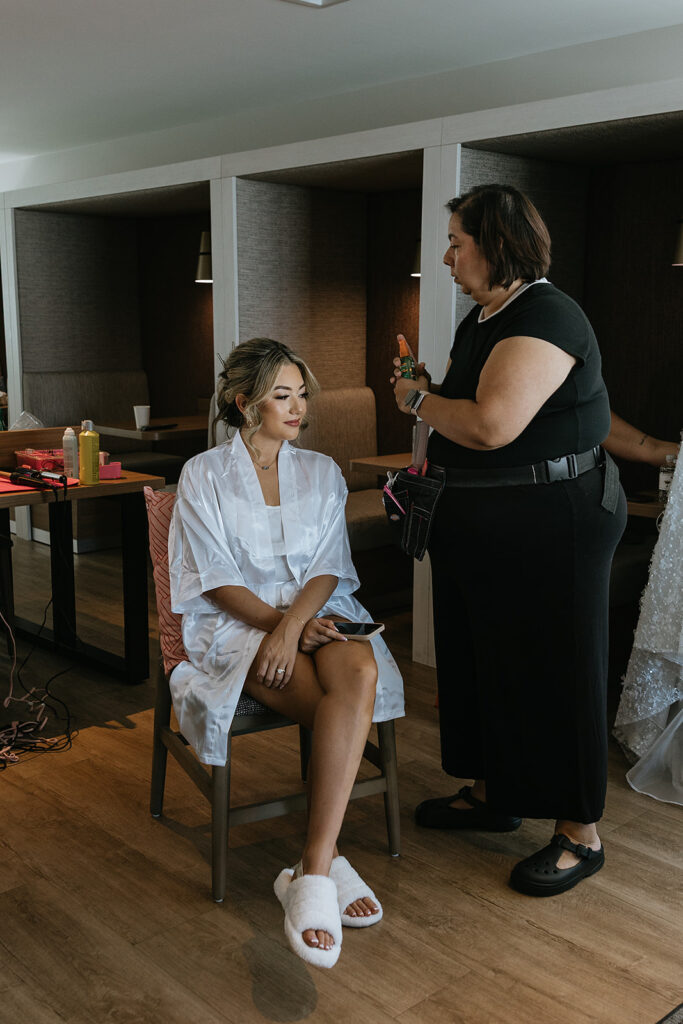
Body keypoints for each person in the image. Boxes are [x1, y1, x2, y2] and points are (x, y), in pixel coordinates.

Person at [391, 182, 658, 898]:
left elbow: (490, 426)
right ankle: (495, 792)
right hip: (484, 523)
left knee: (556, 667)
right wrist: (430, 388)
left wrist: (415, 399)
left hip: (553, 524)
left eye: (456, 243)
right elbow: (466, 405)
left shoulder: (547, 316)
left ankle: (579, 833)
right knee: (482, 659)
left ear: (497, 244)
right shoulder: (483, 318)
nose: (446, 258)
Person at [169, 337, 404, 967]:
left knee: (359, 668)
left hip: (316, 613)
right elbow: (213, 578)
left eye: (302, 394)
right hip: (237, 625)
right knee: (342, 701)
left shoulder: (322, 471)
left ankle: (312, 867)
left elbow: (329, 565)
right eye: (282, 396)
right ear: (244, 403)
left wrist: (295, 623)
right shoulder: (203, 475)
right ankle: (323, 865)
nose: (298, 408)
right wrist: (277, 627)